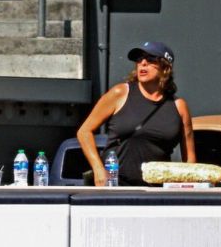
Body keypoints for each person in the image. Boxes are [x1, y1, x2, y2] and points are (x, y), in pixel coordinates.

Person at [77, 41, 195, 186]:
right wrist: (98, 169)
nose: (142, 63)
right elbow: (84, 132)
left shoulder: (179, 106)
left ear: (165, 67)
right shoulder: (120, 93)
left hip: (158, 191)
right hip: (116, 186)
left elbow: (190, 159)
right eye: (139, 59)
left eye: (151, 59)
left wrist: (189, 186)